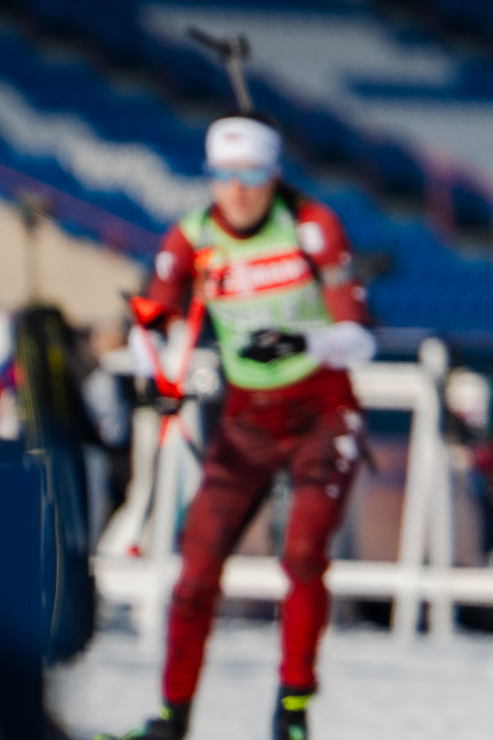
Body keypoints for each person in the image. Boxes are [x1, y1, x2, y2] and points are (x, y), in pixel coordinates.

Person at [101, 115, 376, 740]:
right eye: (223, 175)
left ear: (272, 174)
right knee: (197, 565)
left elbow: (359, 338)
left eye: (250, 174)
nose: (237, 190)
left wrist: (303, 340)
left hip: (323, 412)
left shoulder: (309, 225)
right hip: (247, 419)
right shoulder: (193, 235)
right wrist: (153, 369)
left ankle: (292, 711)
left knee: (302, 553)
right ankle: (172, 717)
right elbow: (152, 316)